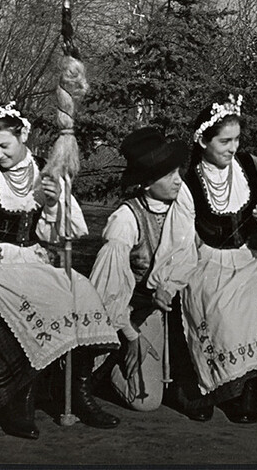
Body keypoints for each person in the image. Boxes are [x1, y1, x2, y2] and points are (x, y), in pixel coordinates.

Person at [0, 95, 120, 439]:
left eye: (4, 146)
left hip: (36, 258)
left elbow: (61, 234)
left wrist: (53, 202)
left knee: (81, 292)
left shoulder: (47, 172)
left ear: (23, 135)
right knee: (31, 302)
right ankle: (19, 397)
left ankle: (78, 394)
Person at [146, 93, 257, 423]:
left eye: (236, 139)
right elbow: (180, 240)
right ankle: (226, 387)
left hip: (251, 257)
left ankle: (254, 383)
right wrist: (167, 282)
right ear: (203, 141)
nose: (232, 147)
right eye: (224, 141)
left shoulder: (253, 168)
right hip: (208, 261)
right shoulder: (189, 185)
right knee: (221, 307)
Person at [88, 126, 188, 413]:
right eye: (168, 175)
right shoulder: (126, 219)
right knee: (145, 401)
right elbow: (106, 291)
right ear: (146, 183)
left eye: (178, 172)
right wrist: (130, 336)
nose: (178, 181)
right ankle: (109, 364)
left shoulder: (181, 210)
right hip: (128, 315)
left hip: (167, 312)